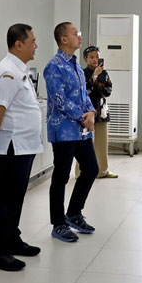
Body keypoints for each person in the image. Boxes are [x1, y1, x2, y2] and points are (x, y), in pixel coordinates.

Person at [0, 24, 42, 271]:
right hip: (11, 146)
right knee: (4, 199)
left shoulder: (20, 70)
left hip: (24, 146)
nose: (36, 45)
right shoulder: (8, 72)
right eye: (33, 41)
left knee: (16, 196)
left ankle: (12, 240)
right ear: (19, 44)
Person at [44, 22, 98, 243]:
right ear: (63, 39)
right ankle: (58, 223)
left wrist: (91, 112)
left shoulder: (75, 65)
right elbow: (59, 100)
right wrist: (82, 116)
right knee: (61, 176)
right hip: (64, 130)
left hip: (82, 130)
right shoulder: (54, 66)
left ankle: (74, 213)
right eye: (75, 34)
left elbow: (84, 94)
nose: (79, 37)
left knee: (91, 169)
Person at [76, 45, 117, 179]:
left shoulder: (104, 73)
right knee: (85, 143)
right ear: (86, 59)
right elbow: (85, 91)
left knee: (102, 142)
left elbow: (107, 91)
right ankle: (80, 172)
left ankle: (103, 171)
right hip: (87, 112)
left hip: (102, 111)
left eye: (97, 57)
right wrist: (93, 78)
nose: (95, 60)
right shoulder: (81, 73)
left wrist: (97, 86)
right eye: (92, 57)